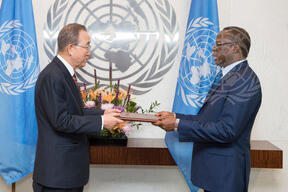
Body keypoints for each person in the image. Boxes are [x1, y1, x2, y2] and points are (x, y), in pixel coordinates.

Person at [154, 26, 262, 192]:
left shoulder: (244, 81)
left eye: (218, 44)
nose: (213, 48)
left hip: (225, 176)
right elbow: (207, 120)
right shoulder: (230, 76)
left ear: (235, 47)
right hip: (215, 174)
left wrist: (177, 124)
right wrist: (174, 116)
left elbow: (227, 130)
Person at [33, 23, 123, 192]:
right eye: (86, 46)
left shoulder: (64, 73)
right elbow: (61, 121)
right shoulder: (53, 76)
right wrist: (102, 122)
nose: (89, 52)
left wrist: (104, 112)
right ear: (70, 48)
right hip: (57, 177)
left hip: (66, 174)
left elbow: (76, 112)